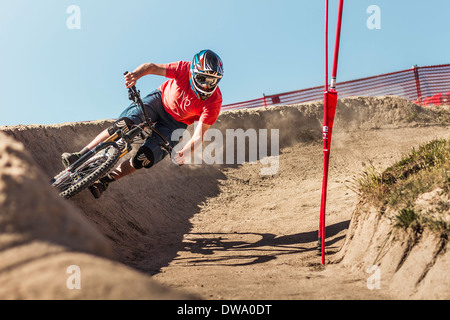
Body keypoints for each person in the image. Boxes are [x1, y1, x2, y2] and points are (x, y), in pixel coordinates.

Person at [61, 49, 224, 199]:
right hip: (159, 101)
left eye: (213, 81)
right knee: (123, 125)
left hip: (175, 123)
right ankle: (80, 155)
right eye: (203, 79)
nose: (207, 85)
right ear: (193, 72)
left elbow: (198, 136)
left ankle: (105, 180)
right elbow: (152, 67)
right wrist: (135, 75)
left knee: (145, 158)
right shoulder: (183, 68)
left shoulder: (214, 102)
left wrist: (185, 152)